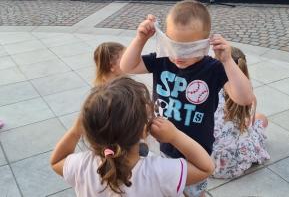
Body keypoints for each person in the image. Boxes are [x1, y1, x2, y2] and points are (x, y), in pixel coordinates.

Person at [120, 0, 254, 197]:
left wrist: (226, 61)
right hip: (164, 145)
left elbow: (244, 98)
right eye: (173, 46)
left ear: (206, 43)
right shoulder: (163, 59)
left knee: (192, 192)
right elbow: (127, 66)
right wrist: (140, 39)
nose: (179, 57)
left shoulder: (213, 68)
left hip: (196, 153)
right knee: (168, 189)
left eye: (189, 49)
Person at [50, 77, 215, 196]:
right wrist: (174, 136)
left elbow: (56, 161)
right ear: (144, 130)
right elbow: (205, 168)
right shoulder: (160, 171)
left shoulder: (81, 165)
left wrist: (74, 130)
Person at [212, 47, 269, 179]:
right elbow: (249, 124)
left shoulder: (206, 90)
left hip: (205, 161)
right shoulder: (249, 97)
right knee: (262, 119)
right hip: (233, 164)